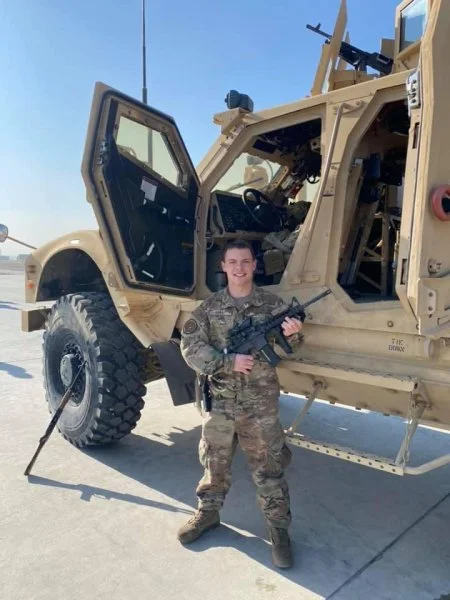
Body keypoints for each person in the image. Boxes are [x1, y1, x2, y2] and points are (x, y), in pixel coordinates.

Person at [178, 239, 303, 568]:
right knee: (214, 464)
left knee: (269, 470)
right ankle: (208, 514)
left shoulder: (271, 305)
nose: (239, 268)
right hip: (221, 402)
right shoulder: (209, 308)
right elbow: (189, 346)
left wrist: (293, 332)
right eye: (232, 262)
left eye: (245, 261)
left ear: (254, 265)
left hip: (260, 405)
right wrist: (227, 362)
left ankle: (279, 532)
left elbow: (291, 346)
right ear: (223, 266)